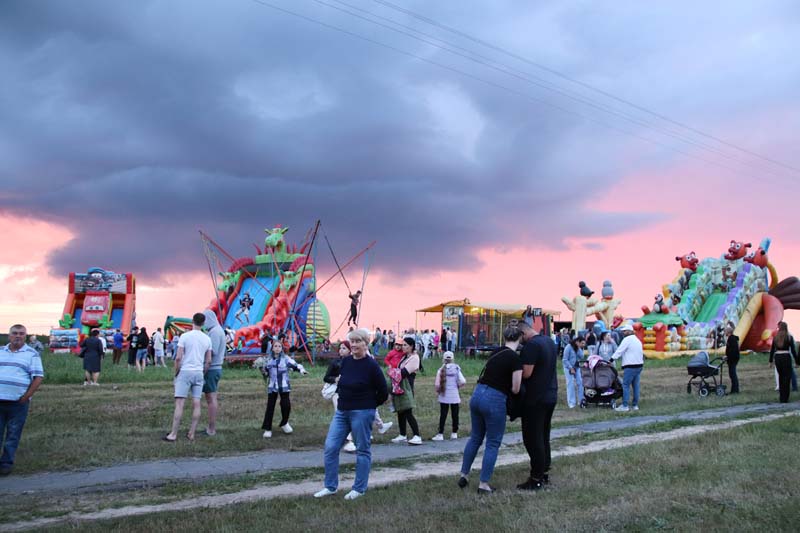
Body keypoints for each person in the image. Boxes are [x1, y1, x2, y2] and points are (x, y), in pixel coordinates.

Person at [314, 328, 389, 500]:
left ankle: (359, 488)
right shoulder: (346, 362)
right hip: (342, 412)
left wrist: (369, 406)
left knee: (362, 450)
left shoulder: (371, 365)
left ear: (365, 343)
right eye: (352, 341)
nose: (353, 345)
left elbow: (383, 391)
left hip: (362, 413)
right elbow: (341, 383)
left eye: (357, 341)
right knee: (331, 447)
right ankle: (330, 486)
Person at [458, 323, 523, 493]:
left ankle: (464, 474)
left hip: (478, 394)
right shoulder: (515, 359)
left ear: (504, 337)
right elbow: (516, 388)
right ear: (520, 338)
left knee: (475, 437)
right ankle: (484, 484)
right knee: (493, 442)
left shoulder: (496, 352)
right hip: (494, 399)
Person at [516, 321, 558, 491]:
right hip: (550, 394)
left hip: (536, 398)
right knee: (543, 435)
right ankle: (544, 471)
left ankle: (536, 477)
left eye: (519, 339)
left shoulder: (531, 346)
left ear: (522, 334)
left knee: (532, 438)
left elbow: (527, 373)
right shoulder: (548, 341)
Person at [0, 324, 44, 475]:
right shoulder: (0, 352)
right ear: (9, 335)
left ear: (25, 336)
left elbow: (38, 377)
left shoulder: (32, 354)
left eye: (21, 333)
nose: (18, 336)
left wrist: (26, 396)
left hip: (18, 402)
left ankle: (6, 463)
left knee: (13, 433)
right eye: (15, 333)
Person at [164, 313, 212, 442]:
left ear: (192, 321)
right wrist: (203, 371)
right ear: (203, 323)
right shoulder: (207, 339)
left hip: (185, 371)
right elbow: (208, 360)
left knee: (180, 404)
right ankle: (192, 433)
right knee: (197, 403)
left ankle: (173, 434)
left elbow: (178, 357)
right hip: (198, 372)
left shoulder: (185, 336)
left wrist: (176, 372)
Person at [261, 338, 308, 438]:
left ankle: (284, 423)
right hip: (272, 386)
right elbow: (265, 372)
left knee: (286, 405)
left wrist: (302, 370)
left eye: (279, 346)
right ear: (272, 348)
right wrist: (263, 371)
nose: (277, 348)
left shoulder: (286, 359)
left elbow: (296, 365)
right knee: (270, 407)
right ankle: (267, 428)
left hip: (284, 386)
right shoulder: (268, 360)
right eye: (275, 346)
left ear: (282, 348)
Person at [390, 336, 422, 445]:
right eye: (402, 345)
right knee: (400, 410)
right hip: (399, 386)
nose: (402, 347)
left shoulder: (414, 358)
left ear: (411, 346)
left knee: (408, 411)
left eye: (405, 345)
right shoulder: (405, 357)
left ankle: (417, 435)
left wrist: (392, 372)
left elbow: (404, 372)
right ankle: (402, 434)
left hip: (407, 386)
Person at [202, 310, 226, 436]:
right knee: (211, 397)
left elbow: (213, 351)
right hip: (215, 368)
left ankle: (211, 428)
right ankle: (210, 426)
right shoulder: (216, 330)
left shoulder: (215, 332)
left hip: (212, 368)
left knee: (211, 398)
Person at [432, 351, 466, 441]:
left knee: (443, 414)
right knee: (455, 414)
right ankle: (454, 433)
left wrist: (438, 391)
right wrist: (458, 386)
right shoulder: (457, 368)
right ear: (452, 359)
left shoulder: (441, 370)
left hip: (444, 395)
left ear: (443, 359)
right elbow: (463, 381)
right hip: (454, 395)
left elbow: (437, 385)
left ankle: (440, 434)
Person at [611, 324, 644, 412]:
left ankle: (625, 405)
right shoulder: (637, 340)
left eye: (625, 331)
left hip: (630, 366)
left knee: (625, 385)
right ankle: (635, 405)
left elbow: (619, 351)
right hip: (639, 365)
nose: (623, 333)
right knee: (636, 386)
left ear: (629, 331)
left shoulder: (627, 340)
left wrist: (611, 359)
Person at [769, 322, 798, 403]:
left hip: (778, 357)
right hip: (786, 357)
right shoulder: (789, 337)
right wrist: (797, 361)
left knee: (781, 377)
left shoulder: (775, 337)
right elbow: (793, 350)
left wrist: (770, 361)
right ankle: (786, 397)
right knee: (787, 377)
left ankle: (781, 397)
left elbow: (772, 350)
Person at [562, 337, 585, 408]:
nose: (583, 345)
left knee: (580, 383)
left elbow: (582, 357)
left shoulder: (579, 348)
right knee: (571, 383)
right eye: (582, 343)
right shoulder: (568, 347)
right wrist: (570, 368)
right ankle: (571, 403)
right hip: (568, 367)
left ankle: (581, 401)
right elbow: (564, 360)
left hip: (576, 367)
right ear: (577, 342)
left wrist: (579, 349)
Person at [724, 325, 740, 394]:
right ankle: (734, 389)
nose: (724, 332)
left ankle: (735, 390)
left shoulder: (732, 339)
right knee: (732, 374)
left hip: (733, 359)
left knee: (733, 374)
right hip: (732, 359)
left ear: (728, 332)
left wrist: (728, 356)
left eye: (725, 331)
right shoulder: (731, 338)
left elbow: (732, 350)